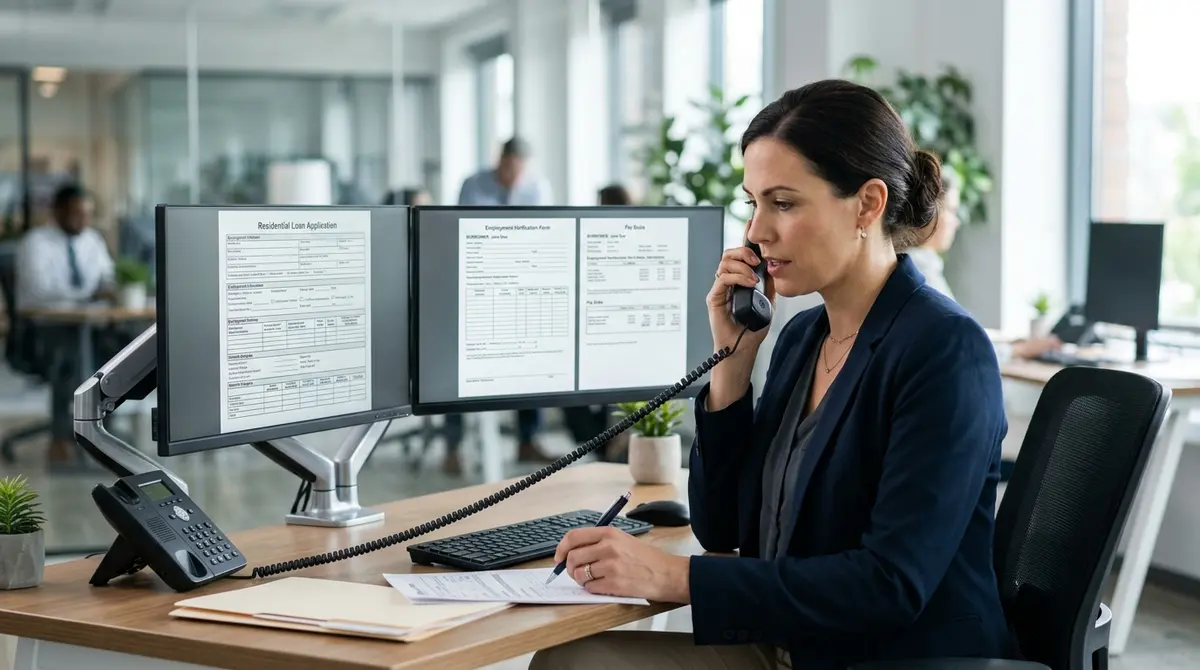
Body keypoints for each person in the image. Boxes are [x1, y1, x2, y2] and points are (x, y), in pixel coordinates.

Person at [530, 80, 1018, 669]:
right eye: (753, 203)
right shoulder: (801, 338)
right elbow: (724, 528)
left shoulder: (943, 349)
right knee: (572, 659)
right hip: (793, 645)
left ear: (867, 204)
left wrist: (676, 579)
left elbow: (892, 584)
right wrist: (733, 364)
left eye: (783, 203)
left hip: (889, 659)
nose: (757, 232)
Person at [449, 138, 555, 472]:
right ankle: (453, 447)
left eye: (519, 170)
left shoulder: (537, 188)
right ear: (501, 161)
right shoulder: (473, 184)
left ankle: (527, 440)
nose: (513, 176)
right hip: (475, 283)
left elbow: (545, 233)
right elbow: (460, 230)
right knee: (458, 369)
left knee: (529, 362)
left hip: (521, 284)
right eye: (509, 167)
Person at [16, 183, 122, 465]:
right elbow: (39, 289)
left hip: (88, 325)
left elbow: (107, 277)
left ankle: (107, 431)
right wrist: (89, 294)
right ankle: (61, 439)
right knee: (72, 356)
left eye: (88, 214)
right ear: (58, 211)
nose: (83, 221)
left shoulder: (92, 240)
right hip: (41, 330)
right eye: (77, 214)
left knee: (124, 352)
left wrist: (110, 288)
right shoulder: (35, 243)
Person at [907, 171, 1061, 361]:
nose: (957, 222)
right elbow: (962, 347)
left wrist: (1012, 346)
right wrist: (1020, 350)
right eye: (952, 210)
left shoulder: (916, 266)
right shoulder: (920, 273)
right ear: (928, 211)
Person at [560, 184, 635, 462]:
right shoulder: (593, 235)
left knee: (611, 388)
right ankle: (603, 445)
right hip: (594, 324)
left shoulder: (627, 238)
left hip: (616, 329)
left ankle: (610, 445)